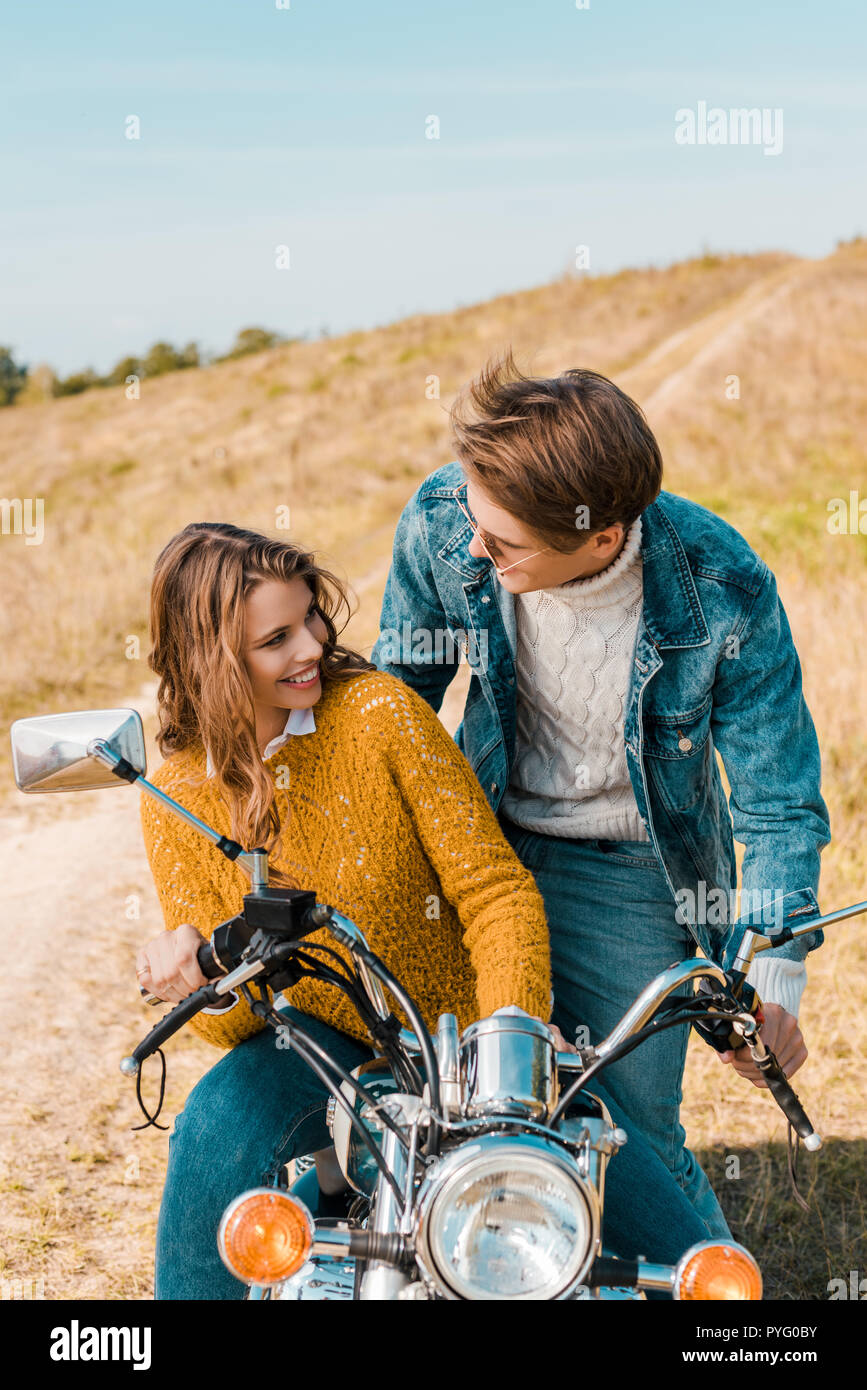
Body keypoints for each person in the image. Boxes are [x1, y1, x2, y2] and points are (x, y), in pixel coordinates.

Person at [371, 349, 832, 1240]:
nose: (473, 547)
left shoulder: (723, 587)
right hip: (480, 844)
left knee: (629, 1140)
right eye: (475, 523)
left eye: (502, 545)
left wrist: (769, 980)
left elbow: (777, 801)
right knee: (444, 1101)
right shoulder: (443, 516)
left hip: (631, 869)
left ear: (601, 536)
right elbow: (399, 707)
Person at [135, 519, 558, 1299]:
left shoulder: (378, 716)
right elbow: (238, 1026)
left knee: (625, 1240)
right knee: (211, 1125)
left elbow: (494, 891)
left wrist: (509, 1054)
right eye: (276, 640)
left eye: (311, 619)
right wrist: (197, 965)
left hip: (462, 1041)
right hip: (320, 1053)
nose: (310, 649)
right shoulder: (175, 796)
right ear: (213, 662)